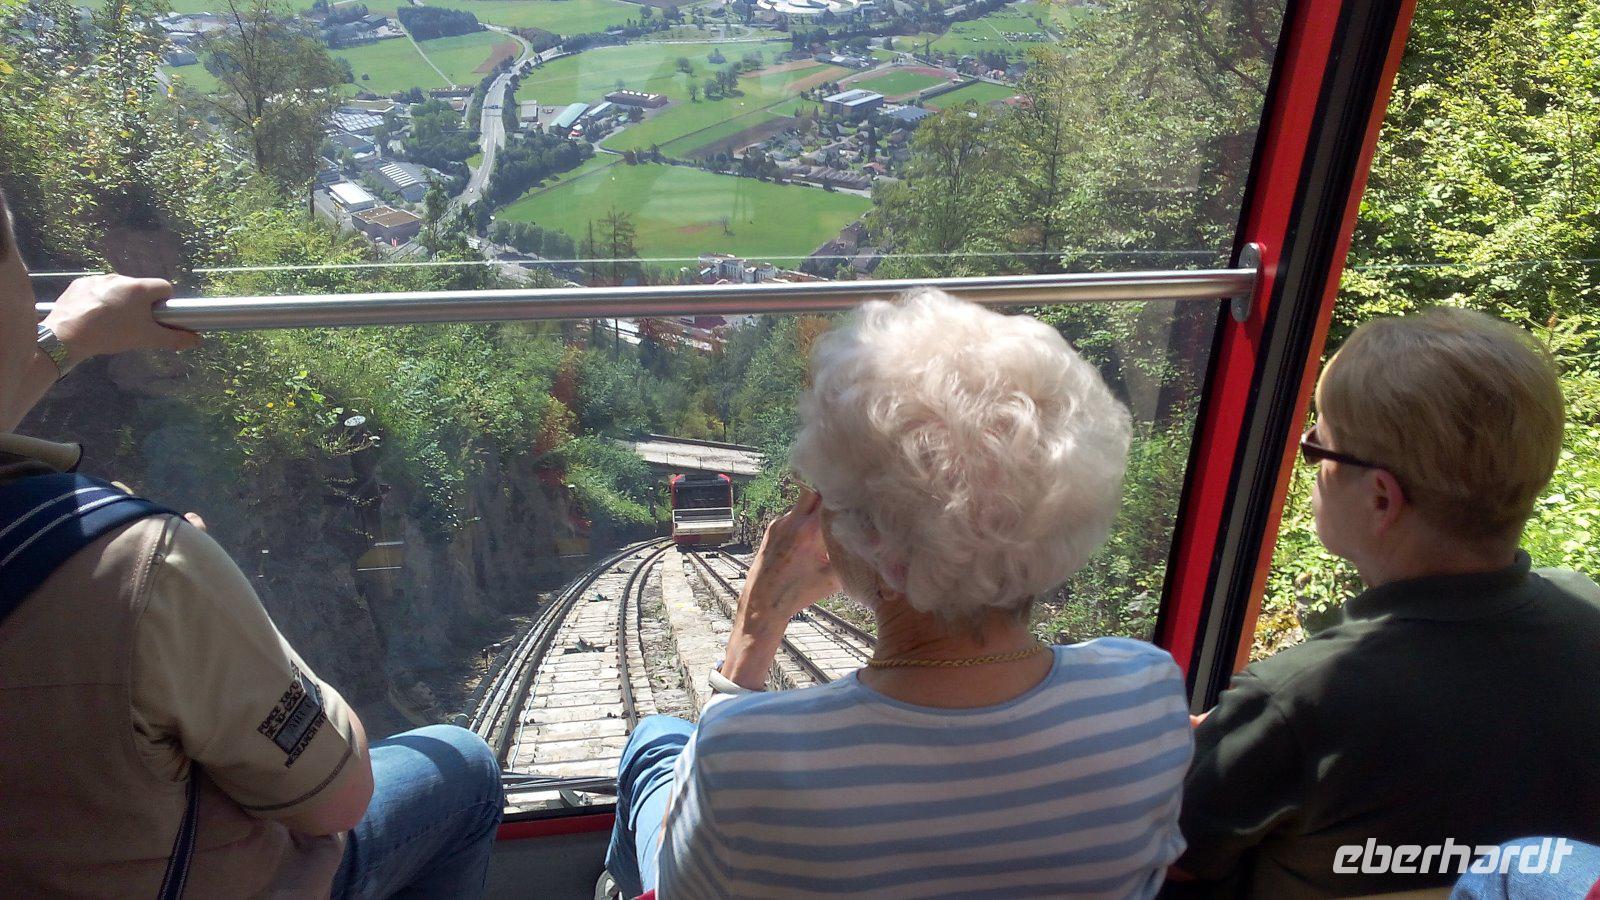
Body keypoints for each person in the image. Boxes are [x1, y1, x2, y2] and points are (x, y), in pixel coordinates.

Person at [606, 289, 1194, 899]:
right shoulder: (1147, 693)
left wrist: (755, 630)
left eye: (825, 497)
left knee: (656, 744)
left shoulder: (742, 758)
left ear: (875, 547)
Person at [0, 189, 505, 897]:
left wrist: (63, 344)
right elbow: (339, 797)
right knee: (465, 767)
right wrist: (212, 584)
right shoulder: (136, 565)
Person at [1173, 309, 1600, 898]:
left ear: (1381, 498)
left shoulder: (1301, 698)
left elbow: (1166, 855)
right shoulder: (1589, 612)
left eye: (1317, 447)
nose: (1313, 468)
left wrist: (1232, 740)